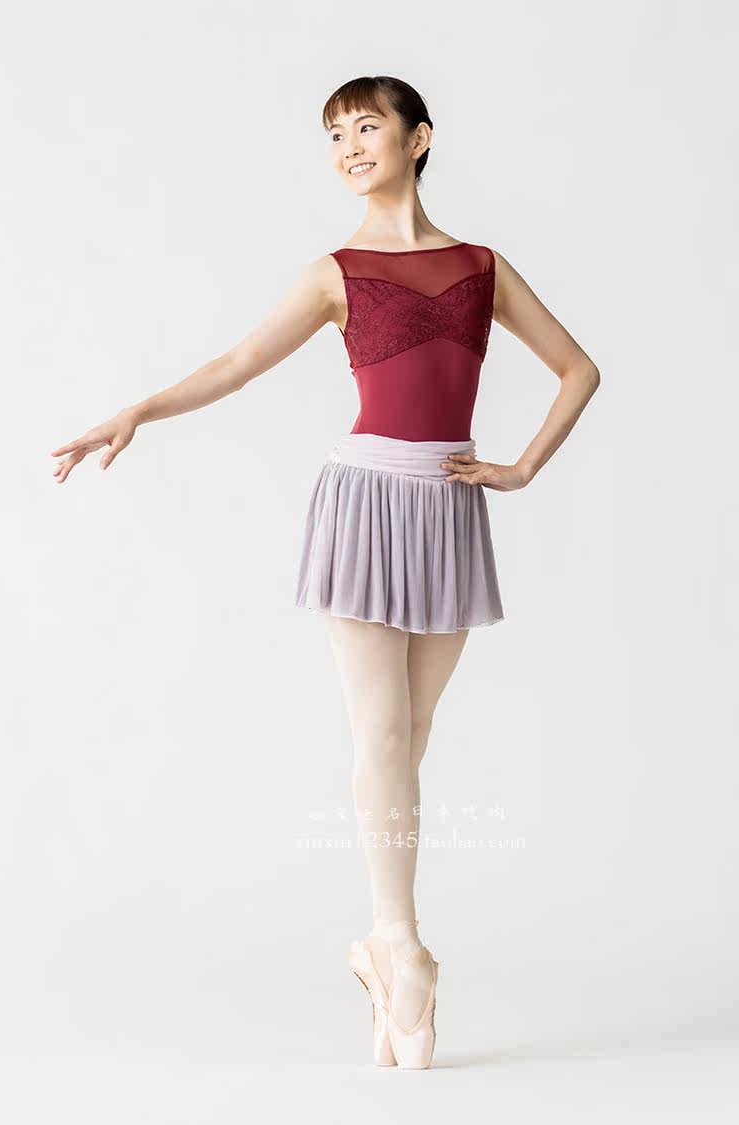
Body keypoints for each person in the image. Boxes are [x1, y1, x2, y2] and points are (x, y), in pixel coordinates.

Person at [50, 75, 600, 1069]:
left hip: (449, 507)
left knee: (412, 735)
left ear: (418, 138)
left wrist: (520, 467)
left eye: (367, 126)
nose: (349, 145)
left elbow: (578, 368)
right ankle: (404, 947)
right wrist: (137, 411)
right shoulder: (332, 273)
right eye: (335, 133)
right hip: (364, 504)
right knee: (382, 730)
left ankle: (381, 954)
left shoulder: (482, 266)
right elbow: (235, 364)